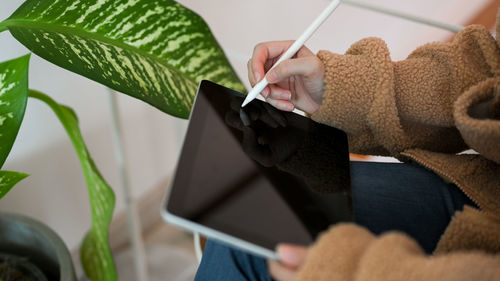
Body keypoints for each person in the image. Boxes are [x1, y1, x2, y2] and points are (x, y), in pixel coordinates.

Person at [195, 10, 500, 281]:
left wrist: (348, 268)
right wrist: (335, 87)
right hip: (486, 192)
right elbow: (486, 74)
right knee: (250, 221)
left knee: (264, 238)